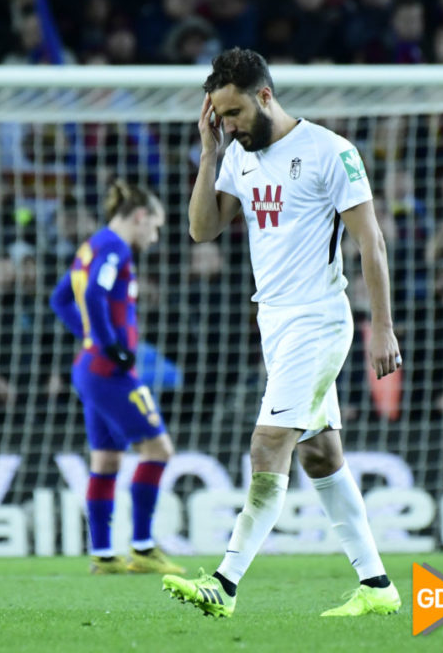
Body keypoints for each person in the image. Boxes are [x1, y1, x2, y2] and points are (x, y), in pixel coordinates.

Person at [161, 48, 402, 617]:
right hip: (275, 322)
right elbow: (202, 230)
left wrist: (382, 328)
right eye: (219, 116)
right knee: (320, 455)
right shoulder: (236, 156)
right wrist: (208, 151)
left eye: (235, 112)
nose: (230, 124)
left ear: (264, 96)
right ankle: (378, 588)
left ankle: (225, 583)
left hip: (320, 319)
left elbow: (371, 240)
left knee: (269, 443)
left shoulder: (330, 151)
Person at [50, 180, 184, 577]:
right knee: (159, 451)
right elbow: (92, 295)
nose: (154, 237)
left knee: (106, 459)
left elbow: (60, 299)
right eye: (154, 227)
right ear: (139, 217)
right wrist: (108, 345)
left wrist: (89, 337)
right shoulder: (115, 247)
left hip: (88, 368)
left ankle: (104, 556)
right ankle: (142, 547)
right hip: (110, 371)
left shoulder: (91, 245)